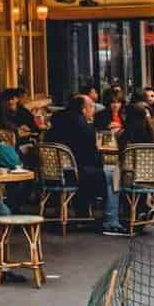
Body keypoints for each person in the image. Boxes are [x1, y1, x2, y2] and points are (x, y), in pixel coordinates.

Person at [48, 94, 129, 236]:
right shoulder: (83, 126)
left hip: (53, 174)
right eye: (91, 106)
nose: (94, 109)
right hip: (75, 174)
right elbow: (91, 154)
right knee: (113, 175)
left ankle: (83, 212)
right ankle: (111, 221)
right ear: (83, 109)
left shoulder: (57, 119)